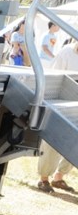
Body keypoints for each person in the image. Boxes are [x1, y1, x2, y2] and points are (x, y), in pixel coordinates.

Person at [35, 38, 77, 192]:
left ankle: (59, 177)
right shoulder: (67, 52)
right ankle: (43, 178)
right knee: (54, 141)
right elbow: (55, 76)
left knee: (75, 142)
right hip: (63, 101)